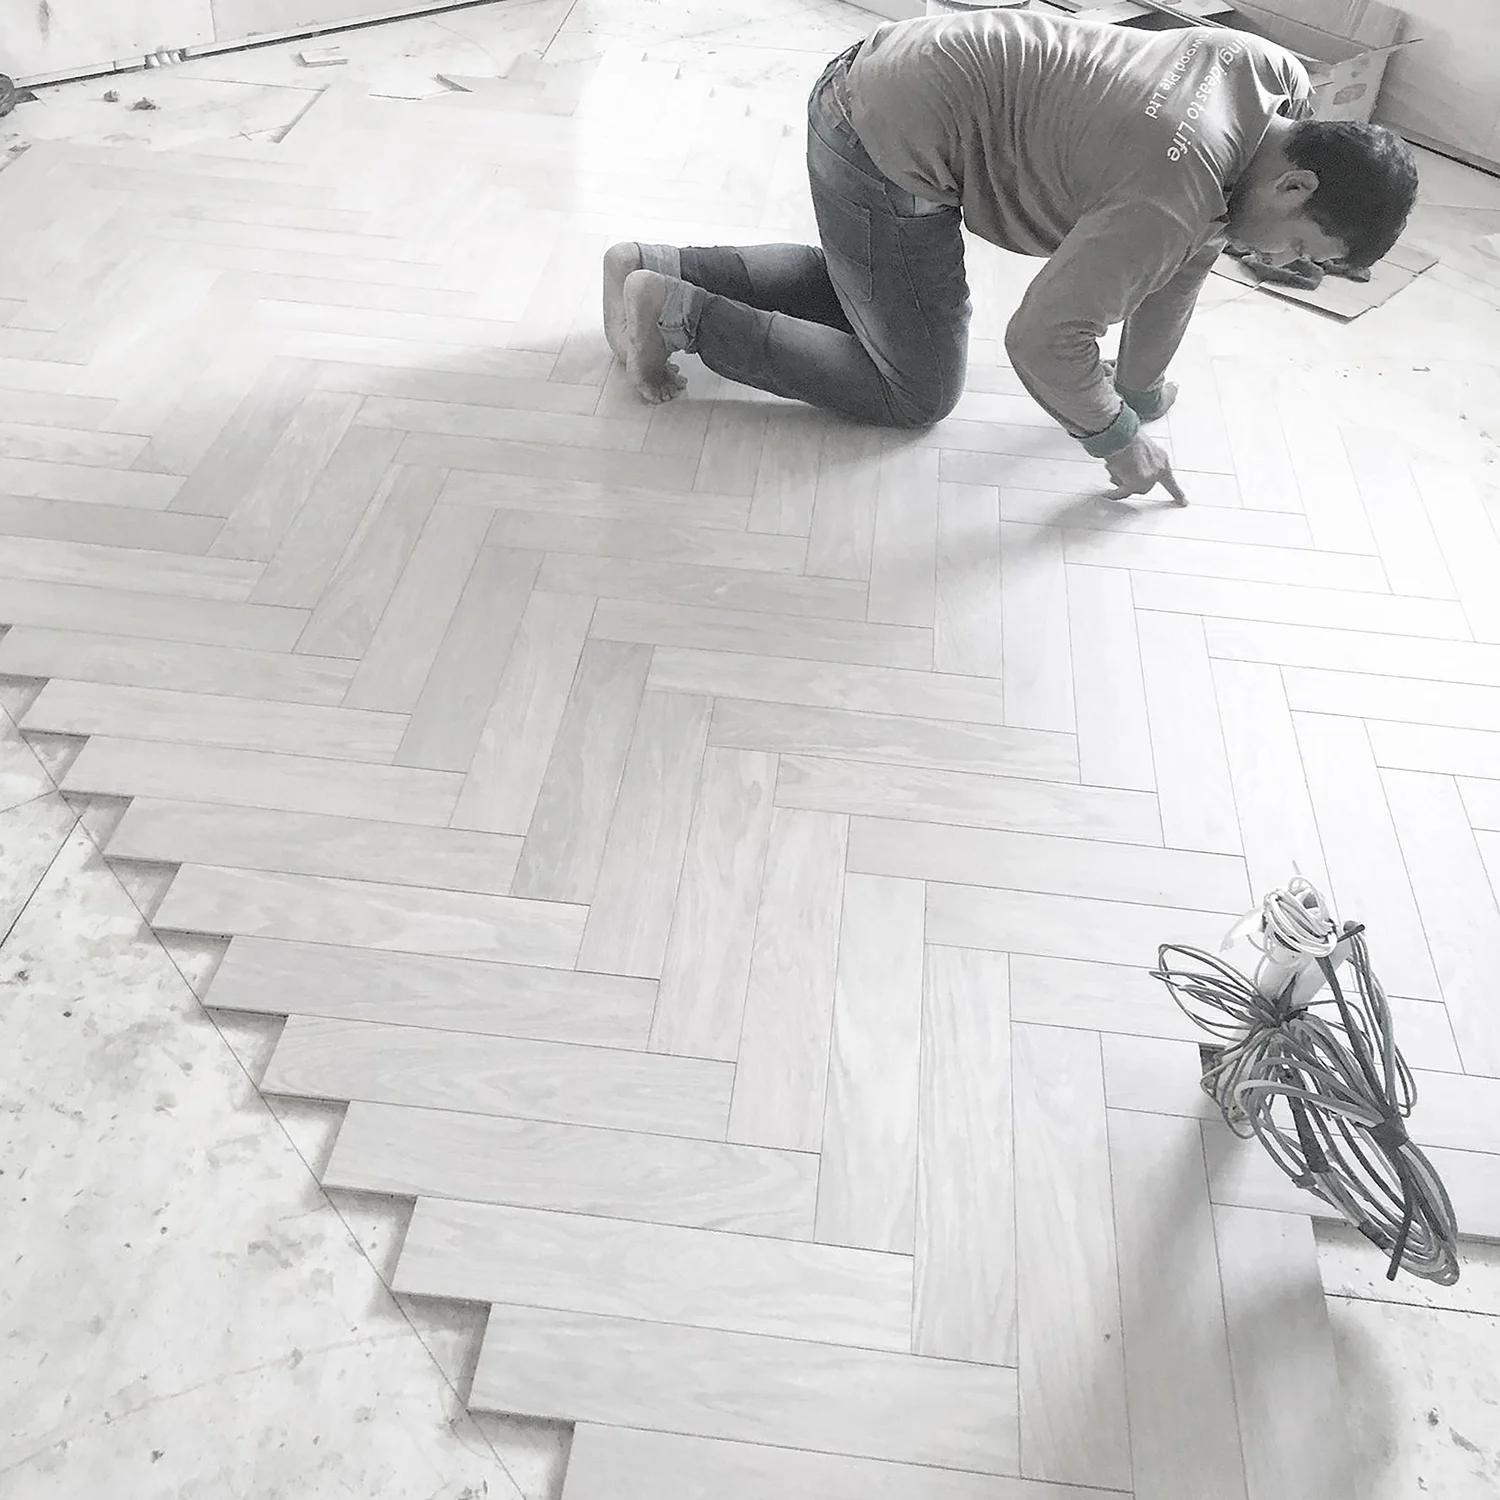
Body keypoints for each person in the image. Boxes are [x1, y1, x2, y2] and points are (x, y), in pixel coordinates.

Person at [601, 7, 1418, 505]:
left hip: (894, 65)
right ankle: (679, 315)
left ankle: (657, 263)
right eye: (1299, 244)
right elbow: (1044, 339)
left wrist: (1138, 387)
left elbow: (1185, 261)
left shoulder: (1273, 79)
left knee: (880, 291)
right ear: (1297, 184)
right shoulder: (1172, 193)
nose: (1279, 259)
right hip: (879, 139)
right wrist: (1117, 438)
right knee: (915, 388)